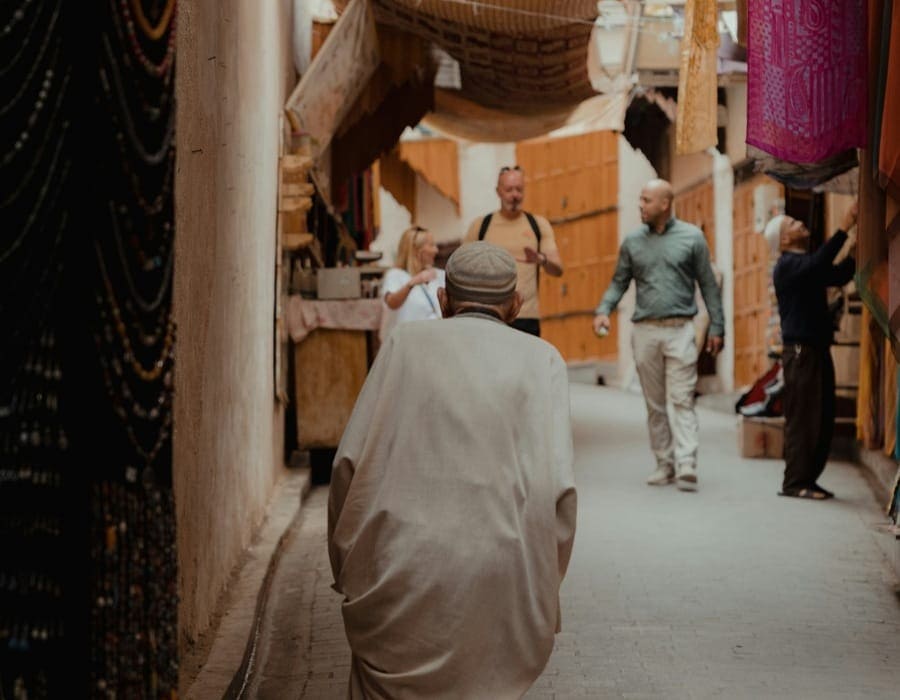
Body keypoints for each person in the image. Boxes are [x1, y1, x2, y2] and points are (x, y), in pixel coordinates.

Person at [328, 241, 577, 698]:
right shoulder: (544, 360)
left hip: (401, 569)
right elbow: (559, 493)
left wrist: (350, 569)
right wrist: (539, 581)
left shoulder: (405, 343)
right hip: (501, 575)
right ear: (516, 304)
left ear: (443, 301)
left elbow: (349, 465)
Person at [592, 178, 725, 492]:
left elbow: (708, 285)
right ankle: (664, 464)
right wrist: (603, 310)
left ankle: (687, 462)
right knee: (654, 403)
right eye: (640, 199)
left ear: (665, 204)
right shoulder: (632, 242)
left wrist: (717, 327)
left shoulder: (692, 238)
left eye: (646, 200)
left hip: (681, 329)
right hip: (645, 331)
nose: (640, 205)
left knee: (682, 398)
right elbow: (619, 281)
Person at [772, 199, 858, 500]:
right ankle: (795, 482)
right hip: (801, 352)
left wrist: (860, 250)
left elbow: (837, 275)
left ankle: (808, 478)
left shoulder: (804, 267)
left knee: (821, 416)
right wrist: (844, 226)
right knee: (804, 418)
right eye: (791, 225)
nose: (799, 224)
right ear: (784, 240)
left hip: (815, 349)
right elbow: (820, 265)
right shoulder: (787, 265)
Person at [462, 165, 563, 336]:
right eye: (509, 190)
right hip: (489, 315)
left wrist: (541, 259)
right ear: (498, 191)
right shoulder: (480, 226)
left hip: (526, 316)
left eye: (519, 189)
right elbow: (462, 267)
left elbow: (558, 269)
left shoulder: (538, 224)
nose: (515, 195)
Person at [378, 225, 444, 342]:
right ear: (416, 250)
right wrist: (413, 283)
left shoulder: (438, 274)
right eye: (431, 245)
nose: (436, 250)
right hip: (404, 345)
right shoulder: (395, 275)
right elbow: (392, 303)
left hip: (431, 343)